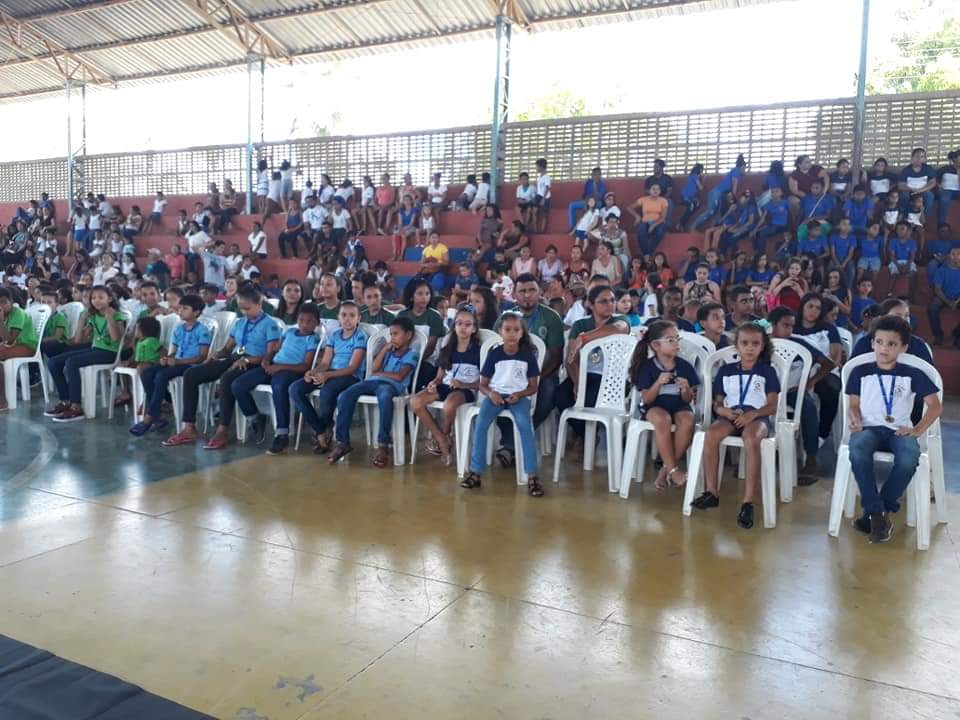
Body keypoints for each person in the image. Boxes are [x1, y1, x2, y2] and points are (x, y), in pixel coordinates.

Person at [846, 315, 941, 543]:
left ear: (903, 347)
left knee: (909, 457)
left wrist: (917, 429)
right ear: (872, 343)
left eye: (891, 344)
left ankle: (876, 512)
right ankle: (879, 513)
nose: (884, 348)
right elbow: (853, 405)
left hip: (899, 430)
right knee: (857, 449)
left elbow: (935, 406)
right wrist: (855, 419)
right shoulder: (860, 371)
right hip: (868, 429)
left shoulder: (912, 373)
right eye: (879, 342)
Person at [162, 286, 282, 448]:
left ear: (259, 304)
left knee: (227, 379)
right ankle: (189, 427)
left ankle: (222, 430)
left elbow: (270, 355)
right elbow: (228, 347)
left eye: (248, 308)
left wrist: (247, 361)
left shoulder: (270, 325)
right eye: (241, 308)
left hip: (256, 362)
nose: (244, 312)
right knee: (192, 373)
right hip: (235, 358)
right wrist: (217, 354)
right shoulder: (240, 323)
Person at [691, 322, 780, 529]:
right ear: (736, 346)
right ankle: (712, 492)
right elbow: (718, 401)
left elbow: (773, 405)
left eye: (755, 343)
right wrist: (722, 411)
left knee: (751, 439)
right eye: (745, 343)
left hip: (757, 417)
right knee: (711, 435)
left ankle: (748, 502)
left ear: (762, 346)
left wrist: (753, 415)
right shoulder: (726, 370)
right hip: (730, 416)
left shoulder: (766, 371)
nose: (750, 348)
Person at [460, 312, 543, 497]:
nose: (511, 333)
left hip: (518, 397)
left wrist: (519, 394)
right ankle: (475, 473)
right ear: (500, 332)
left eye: (516, 330)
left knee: (524, 426)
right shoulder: (495, 354)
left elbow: (533, 386)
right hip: (495, 396)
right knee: (481, 425)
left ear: (522, 333)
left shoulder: (528, 356)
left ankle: (532, 476)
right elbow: (483, 383)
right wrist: (491, 393)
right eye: (507, 329)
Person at [492, 274, 564, 466]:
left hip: (543, 374)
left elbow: (556, 356)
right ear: (514, 294)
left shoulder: (551, 317)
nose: (527, 295)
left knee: (548, 391)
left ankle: (510, 445)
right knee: (494, 394)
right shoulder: (505, 320)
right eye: (522, 291)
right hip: (510, 376)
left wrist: (536, 378)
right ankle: (514, 442)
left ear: (539, 291)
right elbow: (495, 351)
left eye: (532, 290)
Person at [328, 316, 419, 468]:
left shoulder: (412, 354)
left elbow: (399, 376)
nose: (392, 338)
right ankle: (343, 442)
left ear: (408, 335)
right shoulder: (389, 351)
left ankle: (383, 445)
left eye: (396, 334)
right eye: (391, 334)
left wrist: (379, 373)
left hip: (391, 386)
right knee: (346, 395)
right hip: (371, 382)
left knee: (384, 397)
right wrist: (384, 349)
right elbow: (373, 369)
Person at [232, 303, 321, 455]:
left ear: (317, 323)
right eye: (301, 320)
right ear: (297, 320)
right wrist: (267, 359)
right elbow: (275, 350)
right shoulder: (290, 332)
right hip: (274, 366)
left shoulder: (312, 339)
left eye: (310, 321)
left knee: (278, 387)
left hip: (292, 371)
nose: (305, 324)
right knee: (238, 385)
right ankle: (254, 417)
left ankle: (282, 434)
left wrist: (280, 368)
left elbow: (305, 366)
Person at [768, 307, 836, 485]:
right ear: (773, 326)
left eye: (792, 326)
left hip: (792, 391)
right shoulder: (761, 343)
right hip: (766, 392)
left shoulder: (800, 344)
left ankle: (811, 458)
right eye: (785, 325)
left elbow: (828, 364)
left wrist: (811, 381)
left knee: (808, 406)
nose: (789, 330)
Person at [629, 319, 699, 488]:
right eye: (670, 340)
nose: (676, 343)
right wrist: (658, 384)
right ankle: (674, 471)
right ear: (655, 345)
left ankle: (666, 470)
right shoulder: (647, 367)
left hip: (679, 406)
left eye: (677, 339)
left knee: (688, 420)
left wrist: (686, 389)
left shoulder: (685, 366)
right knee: (662, 419)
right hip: (654, 407)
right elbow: (646, 399)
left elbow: (689, 399)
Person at [555, 285, 629, 443]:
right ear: (591, 304)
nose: (610, 304)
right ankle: (586, 435)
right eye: (603, 301)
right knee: (561, 396)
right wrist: (577, 384)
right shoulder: (580, 325)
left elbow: (618, 329)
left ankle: (589, 436)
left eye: (612, 300)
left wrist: (583, 338)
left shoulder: (620, 320)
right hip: (584, 375)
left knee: (589, 399)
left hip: (612, 380)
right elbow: (571, 358)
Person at [290, 302, 367, 454]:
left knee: (327, 390)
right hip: (330, 373)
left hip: (350, 376)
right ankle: (320, 430)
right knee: (295, 389)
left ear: (359, 318)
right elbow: (325, 362)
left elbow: (352, 368)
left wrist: (326, 375)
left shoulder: (360, 336)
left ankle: (325, 429)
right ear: (338, 317)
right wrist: (314, 371)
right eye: (344, 315)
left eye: (352, 316)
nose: (347, 319)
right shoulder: (334, 335)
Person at [128, 294, 211, 436]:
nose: (180, 311)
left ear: (196, 312)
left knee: (161, 375)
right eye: (180, 308)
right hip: (178, 363)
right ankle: (158, 410)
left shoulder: (203, 330)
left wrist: (177, 361)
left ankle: (150, 417)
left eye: (185, 309)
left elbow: (202, 357)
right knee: (147, 372)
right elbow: (175, 353)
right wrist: (167, 358)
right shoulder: (179, 329)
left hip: (191, 366)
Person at [409, 306, 481, 464]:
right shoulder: (448, 348)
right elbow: (440, 376)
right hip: (446, 385)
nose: (463, 327)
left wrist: (464, 384)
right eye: (459, 323)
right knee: (415, 401)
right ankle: (442, 438)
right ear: (454, 325)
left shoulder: (479, 351)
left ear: (474, 328)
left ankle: (445, 433)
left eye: (468, 324)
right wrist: (433, 383)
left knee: (449, 405)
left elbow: (483, 383)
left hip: (466, 389)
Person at [46, 285, 126, 423]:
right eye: (93, 298)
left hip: (111, 353)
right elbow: (78, 340)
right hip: (96, 349)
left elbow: (115, 339)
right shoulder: (94, 316)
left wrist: (109, 318)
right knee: (53, 362)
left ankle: (76, 406)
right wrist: (82, 319)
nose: (96, 300)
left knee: (72, 362)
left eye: (101, 297)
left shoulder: (116, 315)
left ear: (110, 299)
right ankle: (65, 400)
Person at [0, 287, 39, 411]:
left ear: (11, 301)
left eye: (3, 302)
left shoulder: (18, 313)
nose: (1, 306)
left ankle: (2, 400)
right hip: (11, 347)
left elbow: (9, 339)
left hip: (27, 346)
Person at [692, 154, 746, 230]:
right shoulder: (737, 172)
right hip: (716, 194)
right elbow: (734, 188)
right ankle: (693, 226)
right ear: (742, 167)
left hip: (719, 195)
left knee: (716, 212)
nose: (745, 170)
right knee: (710, 211)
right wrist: (734, 202)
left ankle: (709, 227)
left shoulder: (735, 171)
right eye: (745, 168)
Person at [927, 245, 960, 346]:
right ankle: (938, 335)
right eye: (953, 254)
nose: (956, 256)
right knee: (932, 308)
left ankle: (957, 335)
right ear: (949, 256)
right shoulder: (941, 270)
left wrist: (956, 302)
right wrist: (949, 302)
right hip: (943, 297)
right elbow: (937, 289)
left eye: (959, 254)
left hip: (958, 298)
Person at [788, 155, 831, 221]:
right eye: (806, 162)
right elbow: (794, 190)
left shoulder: (816, 169)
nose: (810, 163)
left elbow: (826, 178)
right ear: (799, 165)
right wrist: (808, 196)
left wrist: (824, 191)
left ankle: (824, 221)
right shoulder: (795, 174)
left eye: (810, 161)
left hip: (820, 194)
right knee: (792, 201)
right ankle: (798, 222)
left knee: (831, 200)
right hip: (804, 195)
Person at [630, 183, 669, 255]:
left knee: (659, 232)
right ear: (649, 191)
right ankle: (646, 253)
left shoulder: (663, 201)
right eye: (653, 189)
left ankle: (648, 253)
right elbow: (629, 207)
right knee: (641, 231)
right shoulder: (643, 199)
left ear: (660, 191)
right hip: (645, 221)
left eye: (657, 189)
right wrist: (637, 216)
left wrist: (653, 225)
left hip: (658, 222)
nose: (655, 191)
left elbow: (663, 217)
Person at [898, 147, 937, 215]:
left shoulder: (928, 169)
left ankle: (924, 217)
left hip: (923, 191)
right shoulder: (906, 170)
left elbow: (932, 182)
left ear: (924, 159)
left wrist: (921, 190)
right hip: (910, 192)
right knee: (904, 195)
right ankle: (905, 217)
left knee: (930, 195)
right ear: (912, 158)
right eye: (917, 156)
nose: (919, 159)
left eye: (922, 157)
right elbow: (901, 185)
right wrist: (911, 189)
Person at [751, 185, 789, 254]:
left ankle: (761, 254)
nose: (774, 193)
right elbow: (762, 218)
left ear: (781, 193)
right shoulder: (768, 204)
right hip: (772, 225)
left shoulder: (785, 202)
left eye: (777, 191)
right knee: (754, 232)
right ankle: (756, 252)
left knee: (762, 233)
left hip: (782, 226)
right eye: (773, 192)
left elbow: (791, 215)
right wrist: (755, 229)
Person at [567, 167, 607, 231]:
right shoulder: (588, 182)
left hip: (598, 202)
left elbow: (599, 197)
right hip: (587, 201)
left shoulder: (602, 184)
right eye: (595, 174)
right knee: (572, 205)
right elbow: (584, 194)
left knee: (595, 203)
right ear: (592, 175)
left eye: (598, 174)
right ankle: (573, 227)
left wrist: (595, 185)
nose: (597, 176)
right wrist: (585, 201)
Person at [886, 220, 918, 297]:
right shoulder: (893, 241)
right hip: (896, 261)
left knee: (913, 274)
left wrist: (907, 265)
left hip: (908, 261)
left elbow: (912, 256)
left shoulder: (912, 242)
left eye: (902, 229)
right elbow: (892, 256)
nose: (899, 231)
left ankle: (911, 294)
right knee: (893, 274)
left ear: (908, 231)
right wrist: (898, 266)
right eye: (898, 229)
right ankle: (889, 293)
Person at [676, 163, 704, 230]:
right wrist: (703, 180)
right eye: (702, 170)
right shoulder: (694, 176)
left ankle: (683, 224)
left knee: (697, 205)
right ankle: (680, 223)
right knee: (691, 206)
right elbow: (700, 188)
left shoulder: (691, 176)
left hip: (690, 198)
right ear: (700, 170)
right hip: (684, 197)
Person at [936, 149, 960, 226]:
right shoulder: (945, 168)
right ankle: (941, 225)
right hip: (946, 190)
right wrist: (939, 185)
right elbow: (934, 178)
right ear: (955, 159)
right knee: (944, 199)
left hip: (958, 191)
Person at [534, 158, 551, 233]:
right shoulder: (539, 177)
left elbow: (547, 188)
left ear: (541, 166)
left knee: (544, 214)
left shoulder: (546, 177)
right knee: (535, 211)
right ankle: (535, 229)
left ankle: (542, 231)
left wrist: (543, 199)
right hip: (538, 196)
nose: (536, 168)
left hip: (545, 197)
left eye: (537, 166)